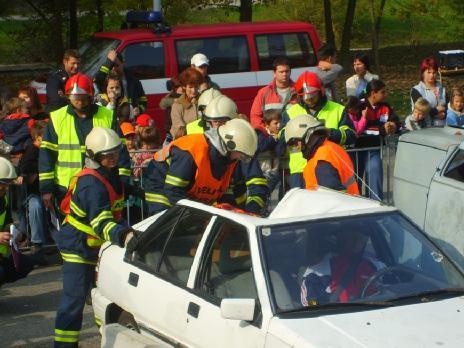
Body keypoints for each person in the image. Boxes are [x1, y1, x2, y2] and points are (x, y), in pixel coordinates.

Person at [54, 127, 137, 348]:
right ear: (94, 156)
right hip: (78, 248)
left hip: (95, 246)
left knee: (106, 296)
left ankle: (107, 340)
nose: (113, 158)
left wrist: (135, 191)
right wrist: (124, 236)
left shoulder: (108, 173)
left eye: (115, 152)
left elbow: (114, 193)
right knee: (74, 301)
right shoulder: (91, 184)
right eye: (107, 155)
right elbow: (101, 223)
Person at [39, 72, 132, 213]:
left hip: (101, 185)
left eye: (82, 98)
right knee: (72, 232)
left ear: (90, 95)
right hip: (66, 188)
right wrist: (46, 189)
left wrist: (124, 182)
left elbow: (121, 150)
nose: (79, 101)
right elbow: (46, 155)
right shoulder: (57, 118)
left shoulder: (107, 115)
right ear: (68, 96)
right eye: (75, 98)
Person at [143, 119, 267, 215]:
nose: (240, 159)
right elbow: (173, 191)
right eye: (242, 155)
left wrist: (233, 213)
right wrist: (203, 212)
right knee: (167, 229)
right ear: (230, 145)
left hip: (184, 194)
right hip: (160, 187)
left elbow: (224, 193)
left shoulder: (228, 160)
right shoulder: (191, 151)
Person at [281, 71, 356, 188]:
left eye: (312, 95)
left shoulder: (337, 110)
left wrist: (330, 133)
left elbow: (350, 135)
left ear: (321, 91)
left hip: (328, 166)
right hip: (299, 170)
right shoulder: (290, 113)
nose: (309, 99)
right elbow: (282, 137)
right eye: (305, 96)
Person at [286, 114, 359, 194]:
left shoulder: (322, 160)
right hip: (350, 204)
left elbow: (331, 199)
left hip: (338, 205)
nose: (297, 147)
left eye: (295, 142)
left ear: (307, 135)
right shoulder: (328, 148)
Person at [354, 80, 400, 200]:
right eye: (383, 92)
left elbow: (396, 120)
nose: (386, 95)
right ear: (373, 93)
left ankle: (376, 204)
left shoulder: (386, 106)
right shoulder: (359, 105)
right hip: (356, 150)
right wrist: (381, 130)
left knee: (375, 169)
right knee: (354, 181)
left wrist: (393, 125)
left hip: (373, 149)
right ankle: (353, 204)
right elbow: (359, 128)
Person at [0, 157, 35, 287]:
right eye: (4, 184)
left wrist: (16, 233)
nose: (6, 189)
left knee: (26, 264)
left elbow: (7, 223)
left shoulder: (3, 200)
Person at [17, 121, 48, 255]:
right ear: (37, 138)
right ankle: (37, 242)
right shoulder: (31, 151)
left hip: (47, 189)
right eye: (44, 138)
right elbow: (25, 168)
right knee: (35, 207)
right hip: (33, 193)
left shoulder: (46, 151)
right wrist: (39, 170)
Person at [94, 49, 147, 117]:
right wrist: (108, 62)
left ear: (123, 63)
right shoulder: (105, 80)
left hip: (129, 119)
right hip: (111, 116)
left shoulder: (133, 80)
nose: (113, 69)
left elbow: (143, 100)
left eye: (116, 65)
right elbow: (97, 80)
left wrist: (139, 109)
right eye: (111, 66)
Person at [250, 57, 297, 132]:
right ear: (274, 73)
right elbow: (255, 117)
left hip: (293, 135)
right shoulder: (264, 93)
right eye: (281, 72)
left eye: (287, 71)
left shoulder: (298, 91)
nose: (284, 74)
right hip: (270, 138)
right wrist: (266, 132)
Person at [410, 57, 447, 127]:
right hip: (423, 127)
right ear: (423, 73)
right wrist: (436, 111)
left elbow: (448, 105)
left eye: (434, 72)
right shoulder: (416, 90)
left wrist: (444, 112)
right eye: (429, 72)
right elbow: (421, 110)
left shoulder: (441, 87)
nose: (432, 75)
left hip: (443, 126)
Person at [170, 68, 204, 139]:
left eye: (196, 86)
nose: (194, 90)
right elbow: (179, 131)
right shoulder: (177, 105)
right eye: (190, 87)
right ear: (184, 87)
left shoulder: (205, 100)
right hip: (185, 143)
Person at [256, 108, 284, 194]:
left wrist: (278, 140)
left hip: (273, 172)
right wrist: (272, 139)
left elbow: (280, 152)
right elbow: (261, 147)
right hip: (262, 172)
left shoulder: (278, 135)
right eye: (276, 123)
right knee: (262, 195)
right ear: (267, 125)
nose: (279, 125)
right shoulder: (260, 133)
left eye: (280, 122)